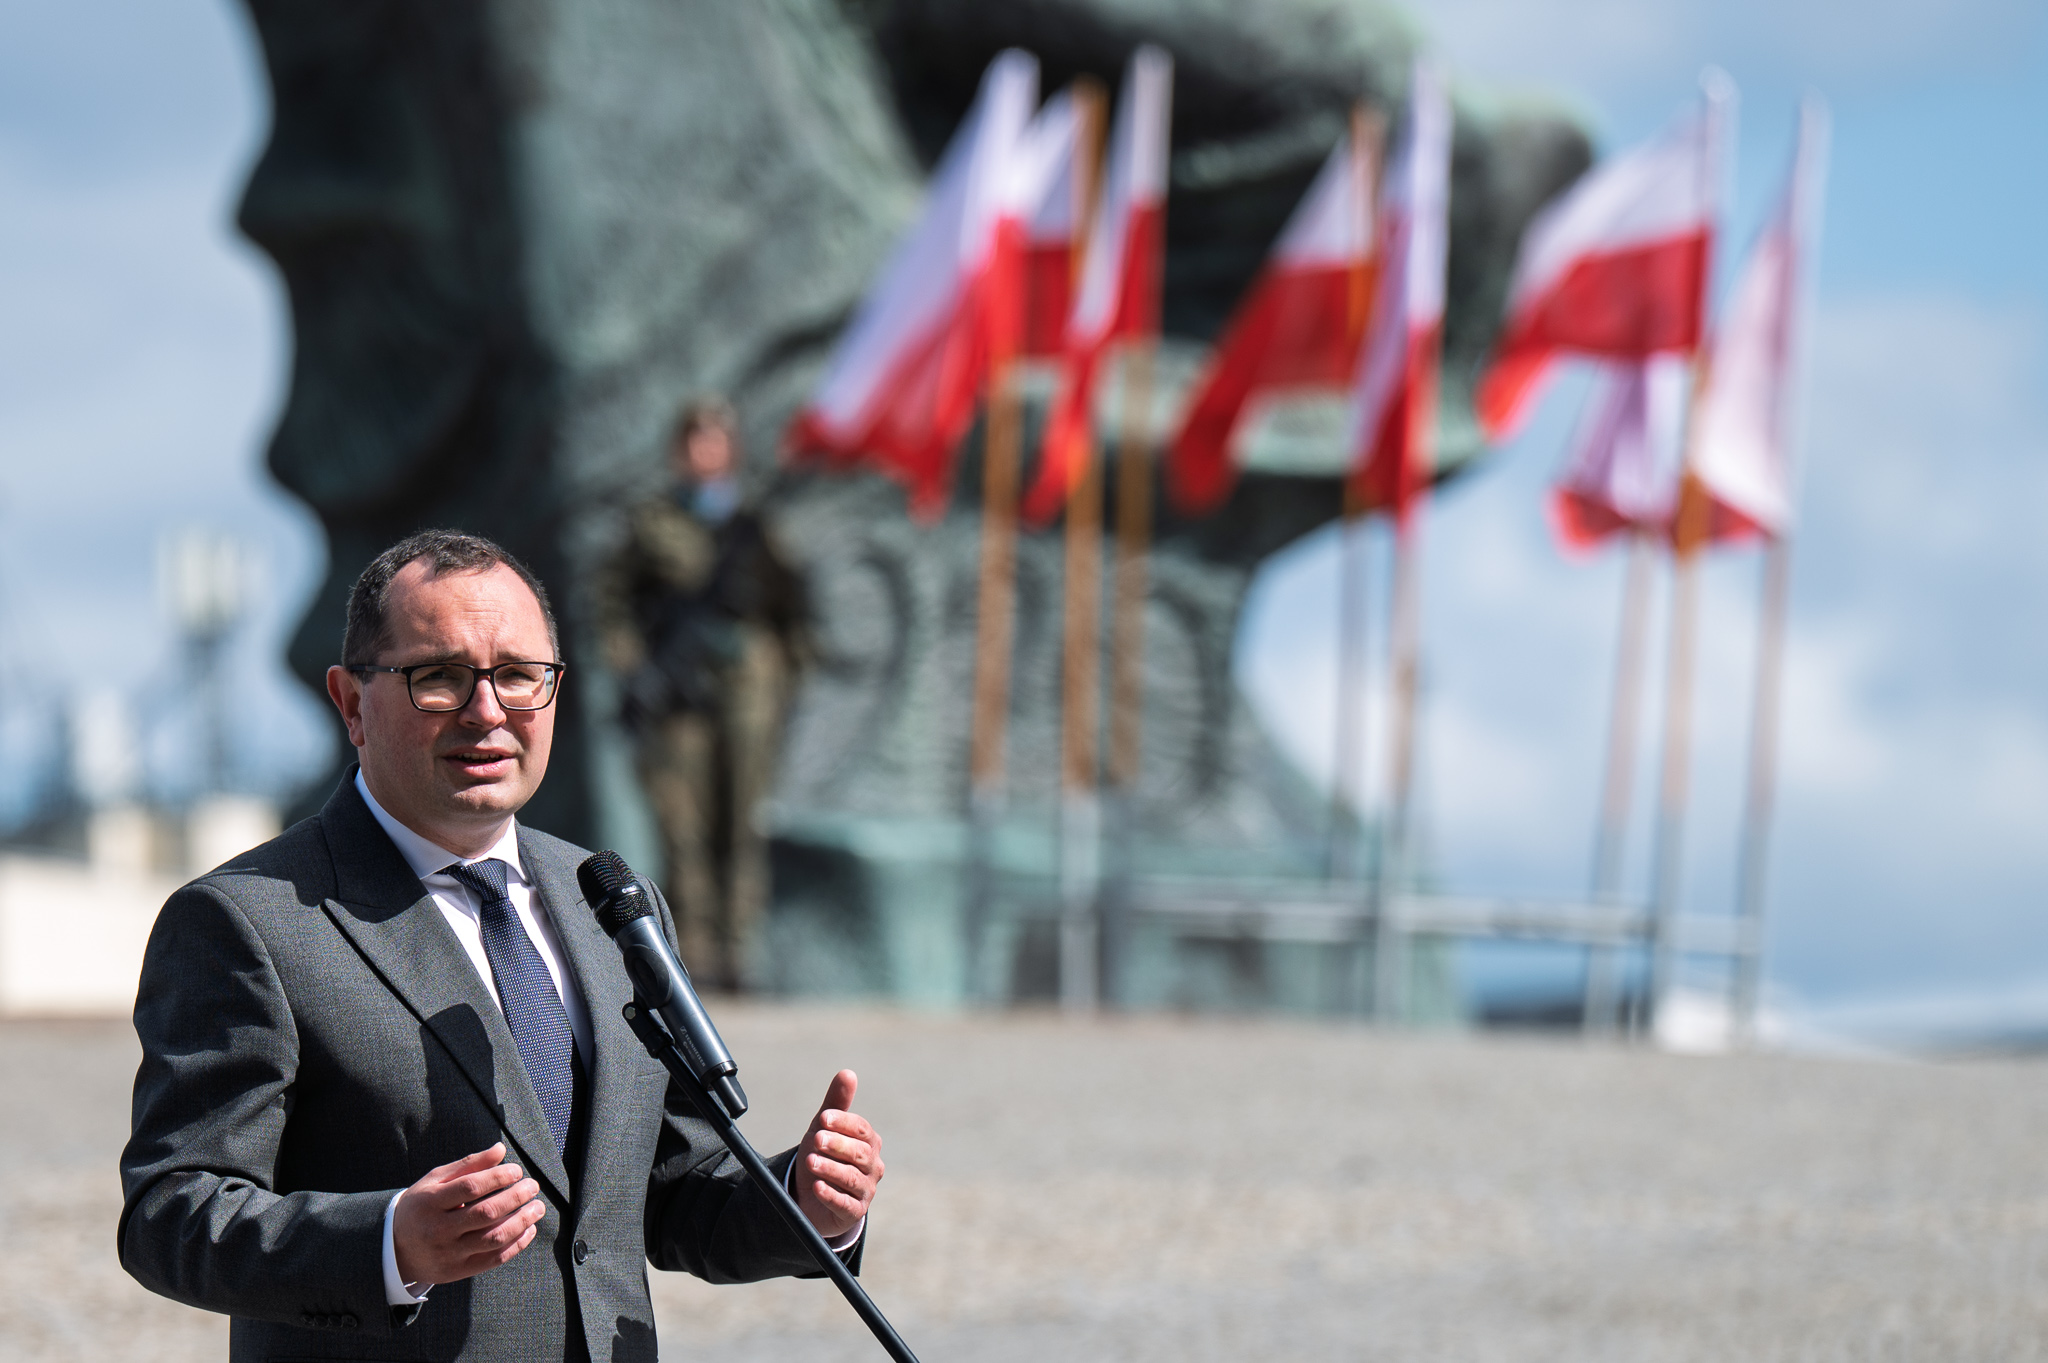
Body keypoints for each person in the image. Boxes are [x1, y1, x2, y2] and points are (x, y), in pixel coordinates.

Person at [119, 530, 882, 1363]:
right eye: (439, 676)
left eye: (519, 675)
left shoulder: (611, 902)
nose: (486, 710)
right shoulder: (247, 921)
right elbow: (171, 1211)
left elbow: (667, 1191)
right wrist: (388, 1243)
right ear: (351, 703)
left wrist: (804, 1201)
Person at [595, 398, 807, 993]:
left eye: (714, 440)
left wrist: (780, 676)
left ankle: (738, 951)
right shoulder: (652, 524)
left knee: (740, 819)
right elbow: (612, 602)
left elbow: (792, 606)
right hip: (677, 693)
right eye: (693, 441)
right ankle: (694, 951)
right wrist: (634, 669)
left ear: (730, 450)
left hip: (746, 691)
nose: (703, 452)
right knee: (682, 824)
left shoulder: (755, 528)